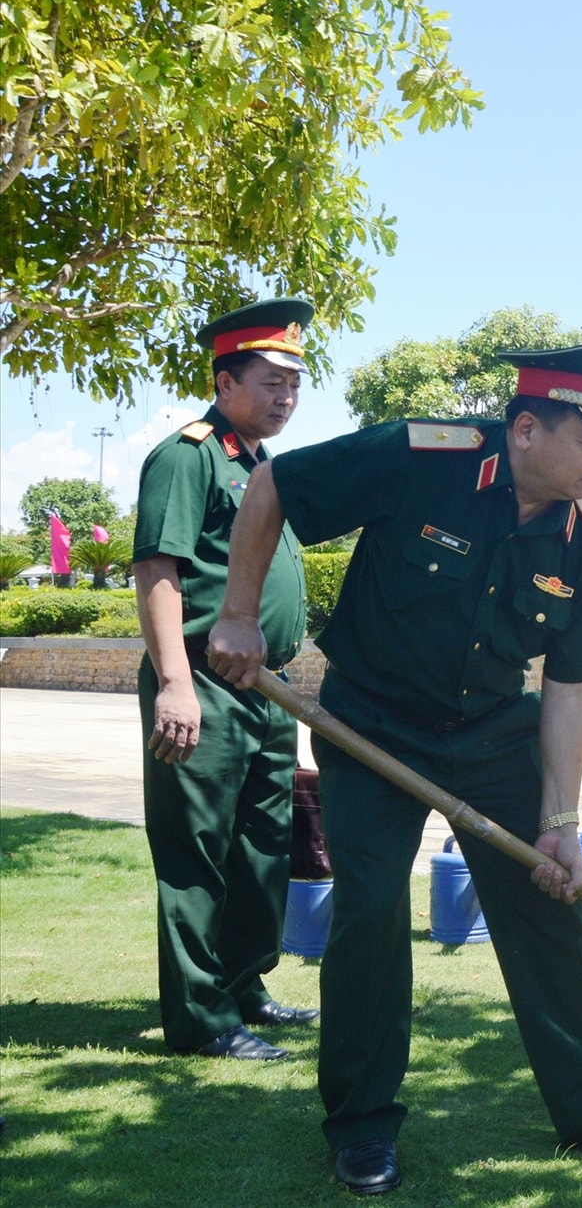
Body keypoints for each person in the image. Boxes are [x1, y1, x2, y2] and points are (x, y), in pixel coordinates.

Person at [207, 339, 582, 1195]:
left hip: (495, 730)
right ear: (527, 428)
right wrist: (237, 613)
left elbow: (572, 686)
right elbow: (275, 486)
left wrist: (561, 819)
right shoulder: (423, 456)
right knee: (372, 913)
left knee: (555, 901)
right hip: (372, 725)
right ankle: (359, 1123)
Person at [131, 298, 315, 1062]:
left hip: (265, 692)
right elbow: (157, 569)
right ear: (225, 379)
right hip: (202, 684)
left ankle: (244, 985)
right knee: (197, 852)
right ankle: (205, 1020)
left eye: (295, 384)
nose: (285, 396)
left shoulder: (261, 466)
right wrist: (174, 680)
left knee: (262, 849)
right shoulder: (190, 454)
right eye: (271, 380)